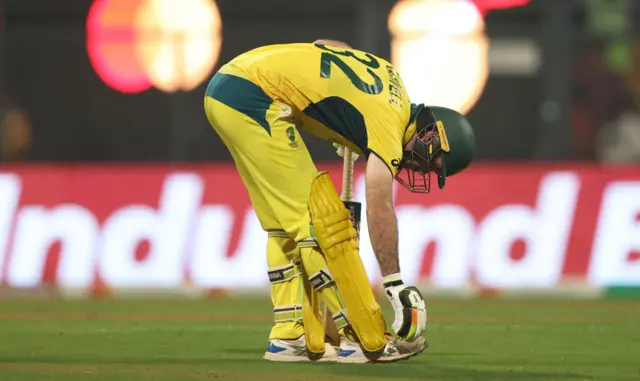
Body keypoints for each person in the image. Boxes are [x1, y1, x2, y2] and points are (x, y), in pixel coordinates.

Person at [204, 39, 476, 364]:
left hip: (229, 88)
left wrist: (342, 120)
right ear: (432, 136)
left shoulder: (393, 83)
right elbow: (379, 203)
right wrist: (394, 284)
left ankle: (289, 337)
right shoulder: (390, 126)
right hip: (255, 98)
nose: (417, 168)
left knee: (284, 227)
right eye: (428, 163)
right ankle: (362, 339)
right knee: (324, 224)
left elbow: (329, 45)